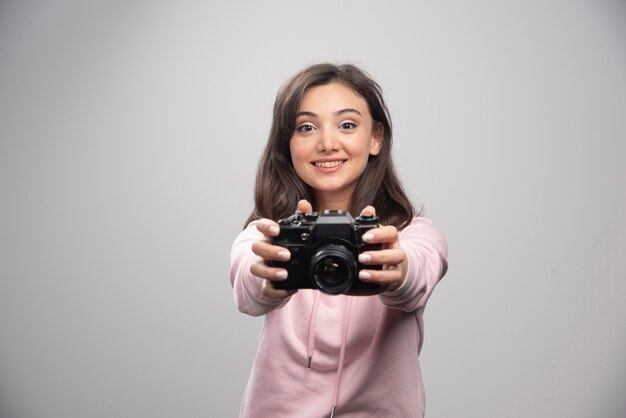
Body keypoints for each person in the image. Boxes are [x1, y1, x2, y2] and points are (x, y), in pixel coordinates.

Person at [230, 63, 448, 418]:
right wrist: (268, 277)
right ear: (288, 143)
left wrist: (395, 268)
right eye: (306, 127)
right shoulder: (268, 234)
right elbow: (247, 283)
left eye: (347, 125)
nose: (328, 143)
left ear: (375, 137)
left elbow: (419, 273)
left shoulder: (410, 235)